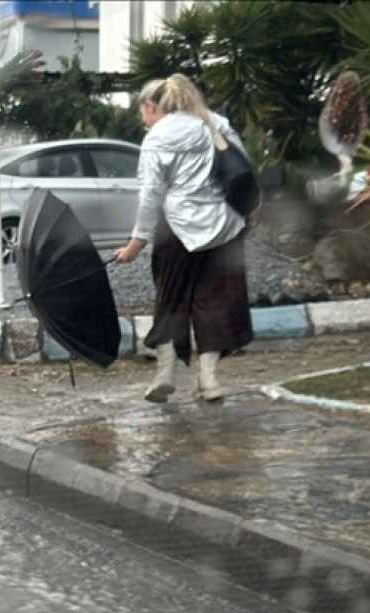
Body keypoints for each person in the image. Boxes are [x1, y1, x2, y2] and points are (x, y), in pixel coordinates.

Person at [113, 74, 255, 403]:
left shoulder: (157, 137)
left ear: (152, 106)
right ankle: (209, 380)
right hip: (223, 227)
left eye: (143, 112)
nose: (144, 120)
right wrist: (247, 211)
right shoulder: (217, 123)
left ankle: (165, 374)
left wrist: (136, 242)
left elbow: (151, 195)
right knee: (214, 300)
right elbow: (242, 169)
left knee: (171, 298)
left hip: (176, 229)